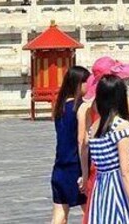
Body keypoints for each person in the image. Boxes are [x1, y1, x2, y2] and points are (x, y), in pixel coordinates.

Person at [79, 57, 129, 224]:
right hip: (119, 185)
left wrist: (84, 175)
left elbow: (83, 144)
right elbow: (125, 170)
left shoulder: (91, 115)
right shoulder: (122, 126)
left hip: (100, 183)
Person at [51, 66, 91, 224]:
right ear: (78, 83)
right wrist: (85, 173)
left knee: (59, 216)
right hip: (76, 167)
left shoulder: (59, 107)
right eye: (87, 82)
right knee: (90, 212)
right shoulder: (81, 108)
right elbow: (82, 141)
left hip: (60, 166)